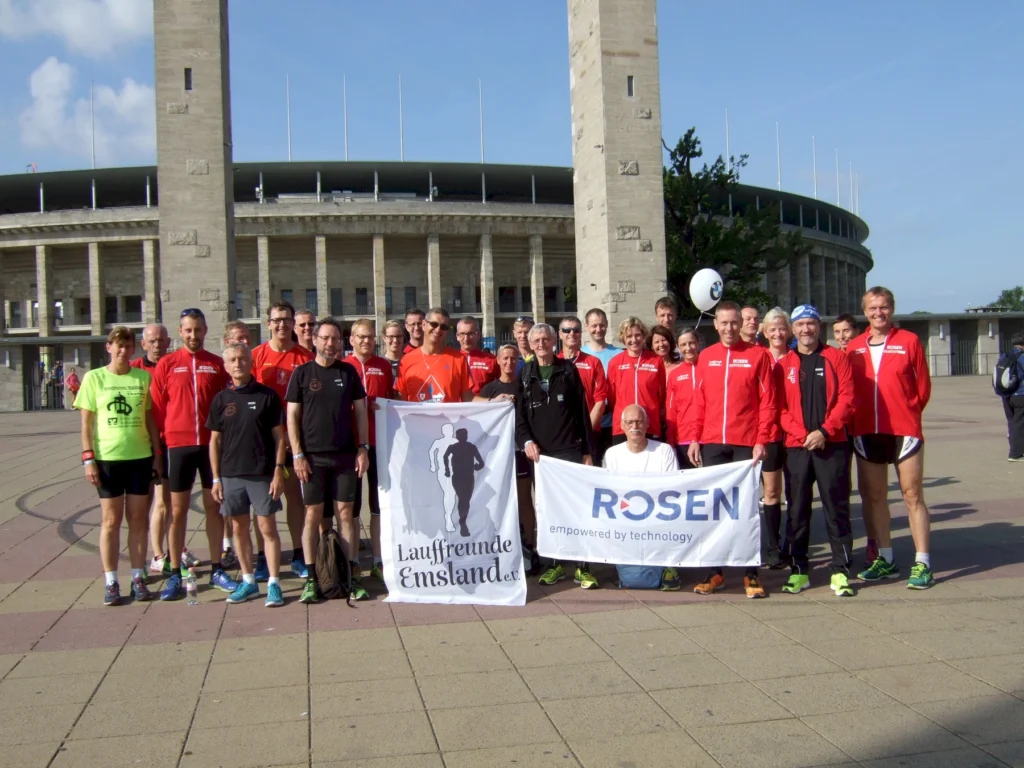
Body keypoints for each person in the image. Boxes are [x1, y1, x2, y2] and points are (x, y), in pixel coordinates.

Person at [686, 301, 776, 599]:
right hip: (712, 442)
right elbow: (699, 402)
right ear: (715, 325)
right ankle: (715, 572)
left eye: (734, 323)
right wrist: (695, 437)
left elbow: (768, 402)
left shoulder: (758, 355)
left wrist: (761, 439)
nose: (729, 328)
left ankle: (751, 573)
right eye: (724, 323)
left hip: (745, 443)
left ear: (742, 323)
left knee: (747, 510)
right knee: (714, 510)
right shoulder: (706, 357)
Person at [848, 287, 934, 589]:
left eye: (883, 307)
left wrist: (907, 414)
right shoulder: (854, 347)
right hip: (867, 431)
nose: (878, 313)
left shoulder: (909, 342)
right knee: (875, 497)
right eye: (872, 308)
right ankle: (885, 558)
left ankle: (922, 562)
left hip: (903, 430)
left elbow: (922, 389)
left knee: (912, 495)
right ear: (865, 311)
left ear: (892, 309)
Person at [150, 308, 238, 601]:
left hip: (211, 447)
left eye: (198, 330)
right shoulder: (167, 364)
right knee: (177, 511)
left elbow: (226, 405)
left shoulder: (215, 364)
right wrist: (158, 447)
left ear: (204, 330)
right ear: (180, 331)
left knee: (215, 508)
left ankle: (216, 569)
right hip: (178, 447)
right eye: (188, 330)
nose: (193, 335)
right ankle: (174, 572)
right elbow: (157, 408)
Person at [287, 318, 370, 603]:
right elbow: (292, 417)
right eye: (324, 338)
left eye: (334, 339)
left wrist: (363, 447)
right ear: (315, 340)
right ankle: (312, 578)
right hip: (312, 458)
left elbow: (360, 412)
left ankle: (351, 576)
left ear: (341, 342)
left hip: (345, 455)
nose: (329, 343)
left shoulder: (348, 372)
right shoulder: (301, 374)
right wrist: (297, 454)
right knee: (313, 514)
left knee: (346, 513)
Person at [78, 327, 162, 605]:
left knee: (138, 521)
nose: (124, 351)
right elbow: (86, 424)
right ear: (109, 347)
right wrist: (88, 459)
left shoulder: (142, 378)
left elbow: (149, 418)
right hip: (107, 460)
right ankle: (111, 581)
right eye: (119, 346)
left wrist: (156, 453)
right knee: (111, 522)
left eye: (128, 346)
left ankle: (138, 577)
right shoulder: (94, 378)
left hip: (139, 458)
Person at [777, 305, 856, 597]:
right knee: (797, 511)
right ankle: (799, 571)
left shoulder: (836, 358)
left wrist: (824, 431)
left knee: (836, 508)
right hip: (798, 448)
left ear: (818, 327)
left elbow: (847, 399)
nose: (805, 330)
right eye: (800, 325)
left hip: (831, 445)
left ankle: (840, 571)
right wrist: (803, 435)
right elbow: (780, 409)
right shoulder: (784, 364)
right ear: (792, 329)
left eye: (810, 324)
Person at [517, 323, 597, 588]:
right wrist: (526, 441)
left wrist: (587, 451)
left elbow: (582, 413)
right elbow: (519, 418)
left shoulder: (568, 370)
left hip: (570, 450)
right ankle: (554, 564)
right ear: (530, 343)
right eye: (536, 339)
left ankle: (582, 566)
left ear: (554, 342)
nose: (541, 343)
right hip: (542, 457)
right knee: (547, 511)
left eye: (546, 339)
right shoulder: (525, 373)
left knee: (576, 508)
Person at [208, 342, 288, 607]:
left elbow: (280, 438)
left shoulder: (267, 396)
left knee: (267, 528)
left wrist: (278, 471)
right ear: (225, 366)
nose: (237, 363)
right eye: (232, 359)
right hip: (231, 475)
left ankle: (274, 583)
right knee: (239, 528)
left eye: (242, 358)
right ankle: (248, 580)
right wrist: (216, 478)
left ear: (251, 362)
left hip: (262, 473)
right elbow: (214, 442)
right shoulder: (221, 399)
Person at [251, 301, 315, 579]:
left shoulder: (304, 357)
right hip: (262, 441)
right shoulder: (255, 356)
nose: (282, 325)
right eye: (276, 320)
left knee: (294, 498)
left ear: (293, 323)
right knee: (261, 501)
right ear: (268, 324)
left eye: (286, 320)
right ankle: (263, 557)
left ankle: (299, 554)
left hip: (293, 440)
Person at [132, 323, 189, 576]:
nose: (157, 345)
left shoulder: (174, 365)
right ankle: (155, 554)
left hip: (168, 442)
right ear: (143, 344)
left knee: (167, 501)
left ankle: (171, 550)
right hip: (140, 445)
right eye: (152, 341)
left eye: (161, 340)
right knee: (144, 504)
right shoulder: (134, 370)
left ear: (169, 342)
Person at [477, 344, 540, 572]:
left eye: (513, 359)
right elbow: (471, 403)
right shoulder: (491, 388)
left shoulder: (525, 385)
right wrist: (493, 403)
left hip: (520, 451)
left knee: (524, 499)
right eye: (505, 358)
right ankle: (497, 545)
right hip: (497, 454)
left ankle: (530, 547)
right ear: (498, 360)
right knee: (498, 500)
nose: (509, 362)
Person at [604, 404, 681, 590]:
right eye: (629, 422)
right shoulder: (612, 454)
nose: (634, 426)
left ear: (647, 424)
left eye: (639, 421)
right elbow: (608, 493)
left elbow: (674, 490)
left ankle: (671, 564)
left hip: (658, 518)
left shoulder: (664, 451)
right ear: (622, 426)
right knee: (634, 578)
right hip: (625, 520)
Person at [344, 319, 393, 581]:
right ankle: (352, 560)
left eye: (370, 337)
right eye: (361, 337)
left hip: (379, 444)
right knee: (351, 507)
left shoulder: (383, 365)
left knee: (378, 505)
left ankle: (377, 559)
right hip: (349, 446)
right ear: (351, 340)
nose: (366, 341)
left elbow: (392, 399)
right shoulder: (344, 367)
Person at [217, 321, 252, 567]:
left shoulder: (249, 364)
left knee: (259, 511)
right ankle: (228, 546)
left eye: (247, 338)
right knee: (231, 507)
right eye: (239, 337)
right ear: (228, 341)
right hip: (228, 446)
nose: (244, 341)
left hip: (253, 446)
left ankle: (256, 556)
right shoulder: (223, 372)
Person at [761, 307, 791, 569]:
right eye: (773, 329)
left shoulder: (797, 358)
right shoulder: (760, 357)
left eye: (782, 328)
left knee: (794, 491)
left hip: (793, 435)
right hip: (768, 434)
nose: (778, 333)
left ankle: (792, 542)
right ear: (765, 332)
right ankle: (773, 544)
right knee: (770, 491)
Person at [396, 307, 474, 403]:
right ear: (424, 325)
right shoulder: (406, 360)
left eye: (443, 327)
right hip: (417, 418)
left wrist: (495, 402)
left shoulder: (459, 360)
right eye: (434, 324)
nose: (438, 330)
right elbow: (400, 402)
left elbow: (469, 399)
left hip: (449, 418)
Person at [607, 317, 665, 444]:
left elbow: (661, 395)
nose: (634, 340)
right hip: (623, 427)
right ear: (623, 338)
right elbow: (611, 397)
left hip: (650, 424)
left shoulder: (656, 361)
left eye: (638, 335)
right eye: (629, 336)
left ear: (643, 335)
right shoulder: (615, 363)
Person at [584, 307, 621, 463]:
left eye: (602, 325)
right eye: (594, 326)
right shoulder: (581, 355)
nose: (598, 329)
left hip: (614, 422)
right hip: (590, 422)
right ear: (586, 326)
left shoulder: (619, 353)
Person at [667, 328, 700, 469]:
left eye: (691, 343)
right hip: (683, 438)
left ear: (698, 343)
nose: (688, 348)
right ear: (678, 347)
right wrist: (670, 441)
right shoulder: (675, 375)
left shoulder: (708, 367)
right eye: (683, 345)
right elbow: (671, 410)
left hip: (708, 437)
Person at [443, 428, 485, 537]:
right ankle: (463, 524)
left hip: (467, 477)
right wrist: (447, 469)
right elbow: (445, 456)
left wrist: (477, 467)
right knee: (463, 499)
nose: (463, 437)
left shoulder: (471, 447)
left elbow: (481, 463)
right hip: (459, 477)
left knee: (465, 500)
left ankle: (463, 522)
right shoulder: (453, 447)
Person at [456, 315, 497, 395]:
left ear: (478, 335)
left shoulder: (492, 360)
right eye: (462, 334)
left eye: (470, 333)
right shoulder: (451, 359)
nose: (466, 339)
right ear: (457, 336)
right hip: (457, 406)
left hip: (483, 406)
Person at [999, 332, 1024, 461]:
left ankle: (1014, 449)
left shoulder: (1004, 356)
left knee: (1013, 423)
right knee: (1020, 424)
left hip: (1006, 394)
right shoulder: (1022, 357)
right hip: (1021, 394)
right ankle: (1016, 453)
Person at [382, 319, 405, 384]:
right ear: (384, 338)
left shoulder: (409, 361)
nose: (395, 340)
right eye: (391, 337)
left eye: (398, 336)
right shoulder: (378, 364)